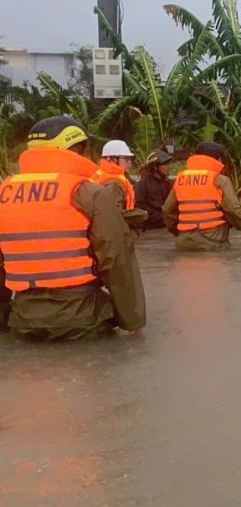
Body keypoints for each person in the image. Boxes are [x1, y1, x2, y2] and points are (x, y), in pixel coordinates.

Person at [0, 115, 146, 340]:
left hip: (23, 321)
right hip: (82, 321)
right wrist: (132, 320)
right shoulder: (89, 192)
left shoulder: (5, 192)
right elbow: (116, 259)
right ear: (77, 149)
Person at [162, 141, 241, 251]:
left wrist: (177, 232)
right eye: (220, 159)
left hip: (183, 242)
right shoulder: (219, 180)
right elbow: (233, 210)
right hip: (212, 242)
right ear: (216, 160)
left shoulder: (180, 179)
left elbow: (167, 210)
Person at [93, 139, 149, 228]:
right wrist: (140, 215)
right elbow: (113, 215)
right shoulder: (113, 183)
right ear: (113, 159)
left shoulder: (104, 175)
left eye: (130, 159)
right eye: (126, 159)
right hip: (114, 231)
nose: (129, 162)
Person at [134, 150, 174, 230]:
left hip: (166, 228)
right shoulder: (142, 185)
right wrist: (161, 217)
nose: (167, 167)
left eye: (168, 164)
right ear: (155, 167)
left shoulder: (169, 183)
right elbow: (141, 207)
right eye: (164, 164)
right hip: (149, 230)